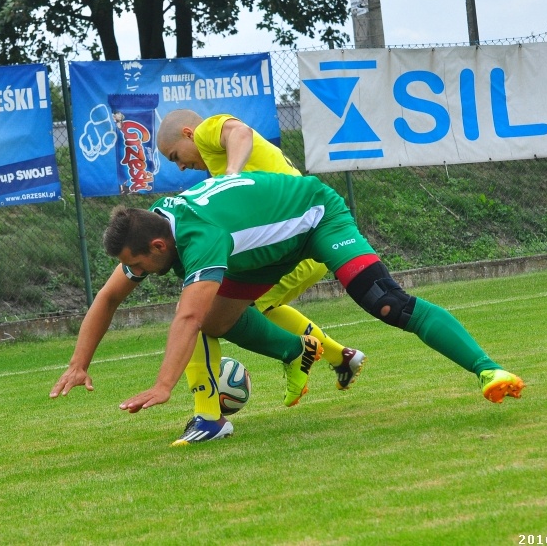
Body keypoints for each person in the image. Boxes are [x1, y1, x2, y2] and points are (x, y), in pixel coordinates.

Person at [103, 172, 525, 422]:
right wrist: (77, 366)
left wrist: (164, 386)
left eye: (176, 155)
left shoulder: (195, 231)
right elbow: (106, 299)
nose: (179, 163)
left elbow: (186, 318)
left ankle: (488, 370)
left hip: (317, 219)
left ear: (157, 246)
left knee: (385, 302)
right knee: (216, 318)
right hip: (267, 248)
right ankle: (296, 351)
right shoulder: (159, 228)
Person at [154, 109, 367, 423]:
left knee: (211, 312)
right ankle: (340, 357)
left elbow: (240, 133)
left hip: (294, 242)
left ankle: (209, 416)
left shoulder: (207, 132)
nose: (181, 166)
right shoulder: (215, 163)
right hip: (301, 239)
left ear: (188, 133)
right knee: (256, 308)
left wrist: (232, 175)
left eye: (175, 156)